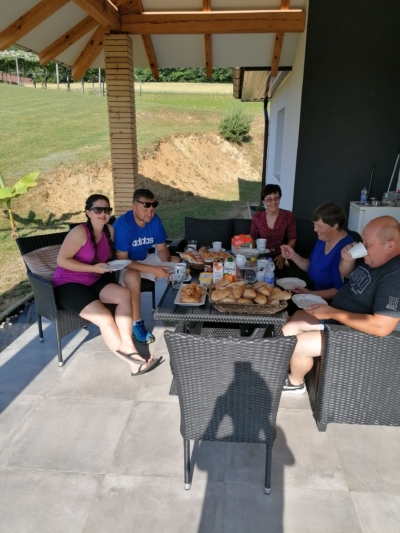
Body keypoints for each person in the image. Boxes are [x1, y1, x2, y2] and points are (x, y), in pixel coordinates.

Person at [281, 216, 400, 394]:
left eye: (367, 244)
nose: (363, 248)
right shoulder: (375, 257)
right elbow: (347, 275)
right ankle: (293, 367)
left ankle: (295, 382)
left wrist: (332, 313)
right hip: (339, 318)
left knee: (298, 343)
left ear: (390, 246)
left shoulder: (395, 276)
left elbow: (382, 327)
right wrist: (347, 259)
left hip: (359, 336)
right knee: (290, 325)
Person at [52, 194, 159, 376]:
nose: (103, 214)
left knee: (125, 294)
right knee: (105, 318)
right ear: (88, 212)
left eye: (107, 210)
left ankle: (126, 344)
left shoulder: (109, 230)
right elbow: (62, 261)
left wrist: (110, 265)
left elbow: (112, 254)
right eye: (97, 210)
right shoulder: (79, 232)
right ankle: (133, 362)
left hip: (93, 279)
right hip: (68, 283)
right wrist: (93, 268)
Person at [113, 188, 179, 344]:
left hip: (143, 259)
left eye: (153, 207)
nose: (150, 212)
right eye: (145, 208)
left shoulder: (154, 220)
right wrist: (154, 270)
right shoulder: (123, 225)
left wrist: (166, 266)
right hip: (121, 266)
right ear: (133, 207)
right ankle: (137, 323)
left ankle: (174, 310)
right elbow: (123, 260)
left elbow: (162, 249)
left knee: (176, 262)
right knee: (133, 276)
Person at [281, 202, 354, 302]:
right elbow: (311, 266)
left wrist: (309, 294)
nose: (315, 229)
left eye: (319, 226)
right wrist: (293, 256)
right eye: (314, 224)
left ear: (335, 225)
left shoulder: (344, 250)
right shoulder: (324, 238)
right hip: (314, 292)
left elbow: (339, 291)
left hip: (329, 302)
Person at [250, 184, 296, 269]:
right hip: (261, 255)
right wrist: (252, 257)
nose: (273, 202)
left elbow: (292, 239)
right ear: (263, 201)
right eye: (269, 199)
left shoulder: (288, 216)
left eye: (276, 198)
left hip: (281, 255)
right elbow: (253, 238)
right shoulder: (257, 216)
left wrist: (283, 255)